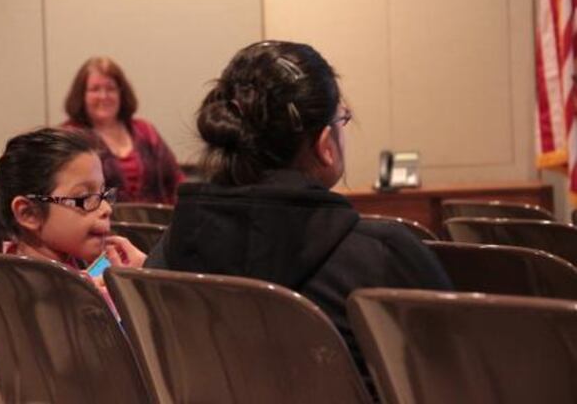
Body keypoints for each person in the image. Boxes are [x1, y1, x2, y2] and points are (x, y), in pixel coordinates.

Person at [149, 40, 452, 391]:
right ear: (325, 144)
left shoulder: (170, 252)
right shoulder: (383, 257)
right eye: (343, 119)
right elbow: (457, 379)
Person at [0, 127, 146, 283]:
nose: (106, 209)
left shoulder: (79, 274)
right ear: (28, 213)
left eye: (103, 194)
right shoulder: (31, 292)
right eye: (85, 197)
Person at [63, 57, 183, 204]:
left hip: (157, 224)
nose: (103, 96)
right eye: (95, 89)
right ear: (81, 96)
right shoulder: (70, 138)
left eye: (110, 89)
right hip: (98, 225)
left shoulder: (145, 131)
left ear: (121, 93)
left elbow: (176, 181)